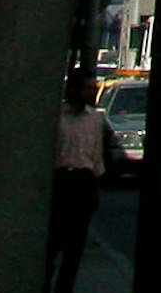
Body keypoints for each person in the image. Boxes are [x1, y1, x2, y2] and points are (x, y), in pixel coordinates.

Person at [49, 71, 116, 293]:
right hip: (59, 181)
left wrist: (95, 189)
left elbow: (96, 157)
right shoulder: (57, 116)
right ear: (73, 89)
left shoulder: (95, 121)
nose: (91, 93)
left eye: (93, 88)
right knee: (51, 244)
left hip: (82, 182)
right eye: (87, 88)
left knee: (75, 248)